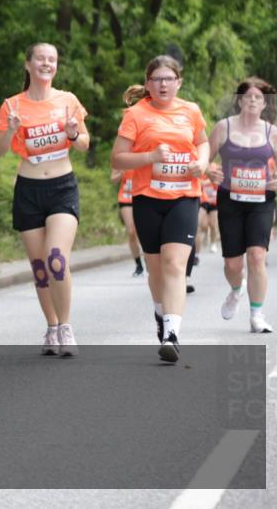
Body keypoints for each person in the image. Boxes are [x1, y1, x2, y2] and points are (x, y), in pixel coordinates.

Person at [0, 43, 89, 357]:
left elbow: (84, 144)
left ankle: (66, 326)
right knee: (40, 268)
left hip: (62, 187)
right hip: (29, 189)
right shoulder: (12, 105)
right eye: (41, 59)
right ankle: (51, 326)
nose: (47, 64)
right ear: (28, 64)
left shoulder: (67, 100)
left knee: (56, 258)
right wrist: (11, 131)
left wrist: (73, 133)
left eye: (53, 60)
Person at [110, 55, 209, 363]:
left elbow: (202, 142)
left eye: (169, 79)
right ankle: (159, 313)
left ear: (178, 82)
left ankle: (172, 334)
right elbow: (117, 158)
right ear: (148, 83)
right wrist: (150, 157)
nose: (163, 84)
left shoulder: (191, 110)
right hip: (147, 199)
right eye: (157, 79)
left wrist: (202, 162)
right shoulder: (136, 114)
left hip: (184, 197)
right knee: (155, 268)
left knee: (174, 265)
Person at [207, 77, 277, 334]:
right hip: (230, 199)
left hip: (261, 200)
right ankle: (236, 288)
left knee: (257, 256)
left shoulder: (272, 132)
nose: (253, 100)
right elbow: (205, 158)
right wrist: (210, 170)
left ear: (264, 104)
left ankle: (256, 315)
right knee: (233, 264)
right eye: (248, 96)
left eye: (258, 97)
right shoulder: (224, 127)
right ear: (240, 101)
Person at [111, 168, 145, 277]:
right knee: (131, 232)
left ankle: (150, 260)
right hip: (126, 198)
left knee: (144, 232)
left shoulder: (143, 157)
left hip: (142, 197)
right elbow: (113, 179)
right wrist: (121, 172)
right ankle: (138, 265)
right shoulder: (121, 159)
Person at [199, 173, 220, 253]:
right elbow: (199, 183)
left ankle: (213, 243)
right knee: (203, 224)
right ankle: (206, 233)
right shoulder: (201, 175)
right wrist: (207, 181)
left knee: (213, 224)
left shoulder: (214, 175)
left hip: (213, 203)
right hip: (203, 202)